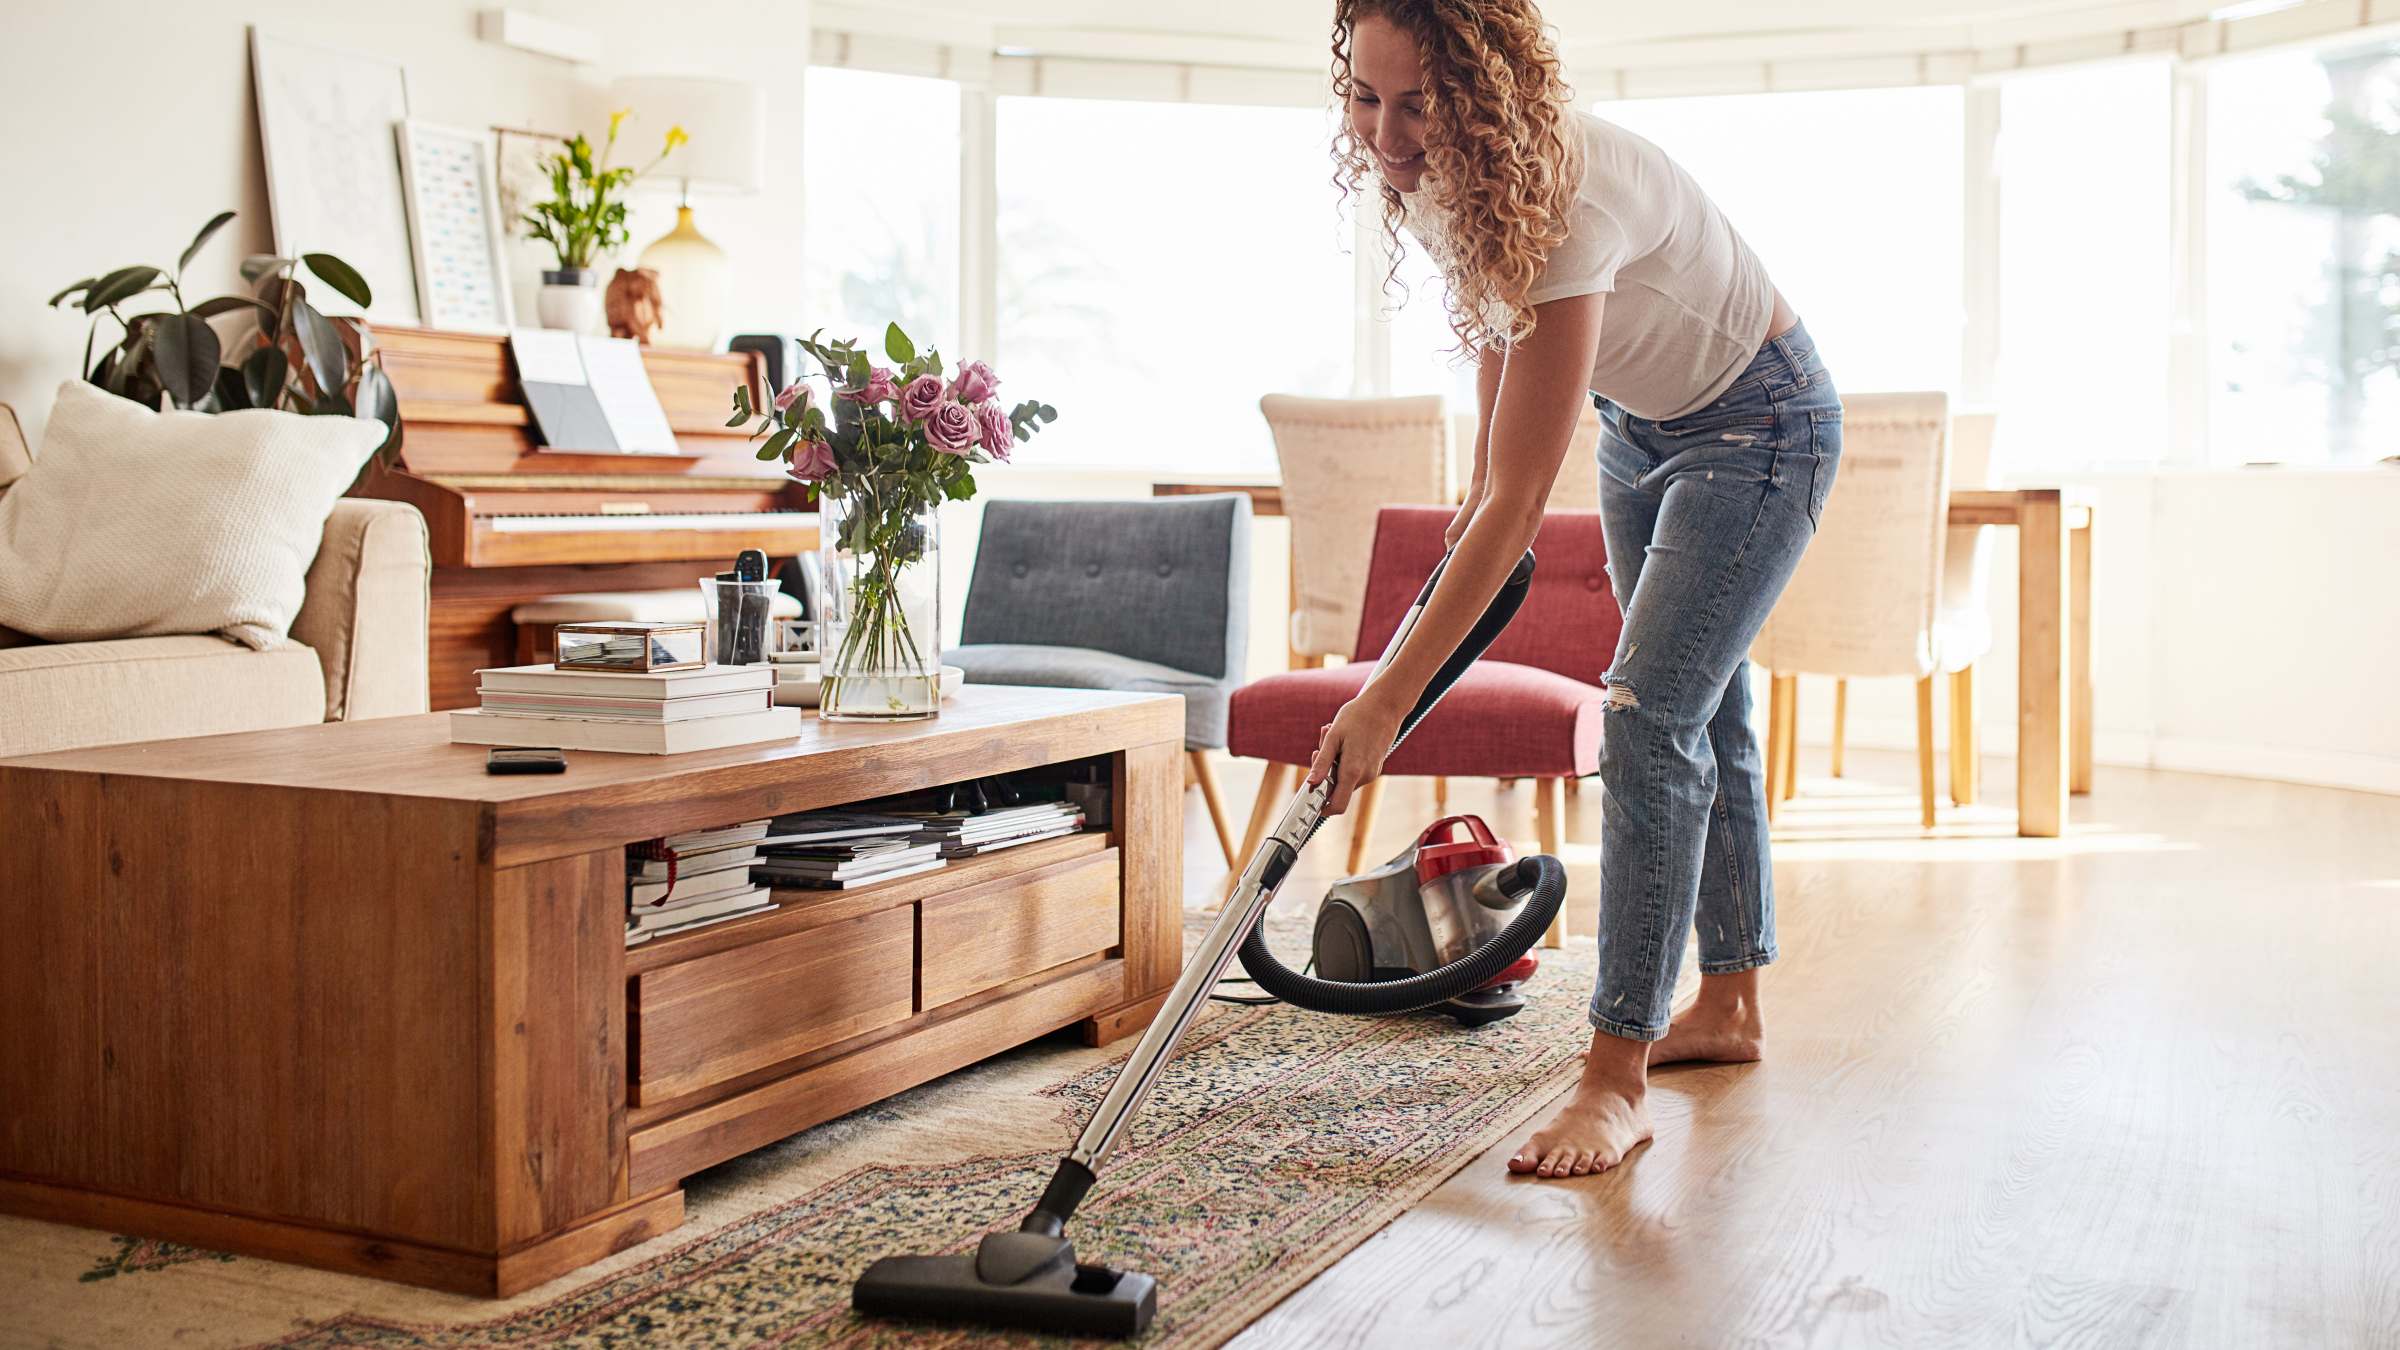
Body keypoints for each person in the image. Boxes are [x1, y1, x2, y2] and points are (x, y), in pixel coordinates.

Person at [1307, 0, 1843, 1179]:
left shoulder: (1566, 192)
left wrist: (1388, 700)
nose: (1388, 137)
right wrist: (1477, 491)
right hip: (1639, 427)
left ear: (1483, 94)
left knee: (1649, 721)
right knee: (1714, 709)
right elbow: (1502, 372)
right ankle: (1732, 1004)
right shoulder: (1454, 175)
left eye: (1417, 104)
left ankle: (1617, 1079)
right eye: (1365, 97)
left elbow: (1517, 506)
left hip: (1760, 427)